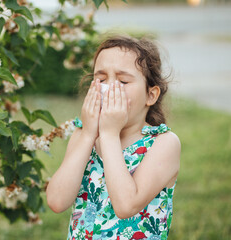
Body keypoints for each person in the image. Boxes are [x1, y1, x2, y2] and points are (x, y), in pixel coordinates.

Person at [46, 35, 181, 240]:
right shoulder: (84, 136)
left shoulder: (163, 143)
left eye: (123, 80)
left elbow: (126, 206)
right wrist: (89, 134)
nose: (109, 88)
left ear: (150, 95)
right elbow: (56, 201)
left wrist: (109, 134)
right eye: (100, 79)